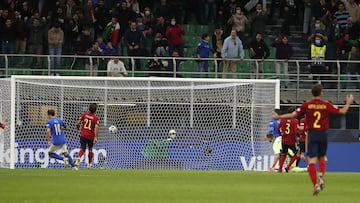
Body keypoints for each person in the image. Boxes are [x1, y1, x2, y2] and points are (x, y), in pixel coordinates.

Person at [273, 83, 353, 195]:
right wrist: (348, 103)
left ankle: (315, 184)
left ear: (312, 93)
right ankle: (321, 175)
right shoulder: (326, 104)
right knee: (322, 157)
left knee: (311, 161)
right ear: (321, 92)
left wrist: (279, 117)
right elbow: (342, 112)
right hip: (323, 134)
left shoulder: (307, 105)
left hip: (312, 135)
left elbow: (293, 115)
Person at [75, 103, 100, 169]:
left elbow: (78, 123)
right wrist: (96, 137)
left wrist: (78, 127)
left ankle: (78, 158)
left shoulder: (84, 115)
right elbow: (96, 128)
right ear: (95, 110)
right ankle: (89, 164)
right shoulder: (95, 118)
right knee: (90, 149)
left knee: (82, 148)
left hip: (83, 135)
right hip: (90, 136)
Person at [276, 106, 300, 173]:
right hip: (291, 140)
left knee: (283, 154)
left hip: (284, 139)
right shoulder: (295, 121)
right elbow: (296, 131)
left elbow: (278, 129)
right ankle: (288, 167)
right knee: (297, 154)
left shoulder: (283, 120)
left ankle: (280, 169)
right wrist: (299, 135)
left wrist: (281, 134)